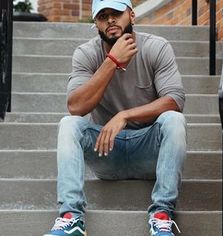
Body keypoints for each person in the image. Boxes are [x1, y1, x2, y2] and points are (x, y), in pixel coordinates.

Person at [43, 0, 186, 235]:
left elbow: (175, 100)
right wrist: (112, 62)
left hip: (148, 151)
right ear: (95, 24)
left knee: (174, 120)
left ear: (131, 15)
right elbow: (76, 107)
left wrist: (125, 115)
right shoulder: (86, 54)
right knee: (69, 124)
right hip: (106, 151)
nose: (110, 20)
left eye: (116, 13)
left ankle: (162, 213)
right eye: (102, 16)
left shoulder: (156, 47)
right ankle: (72, 218)